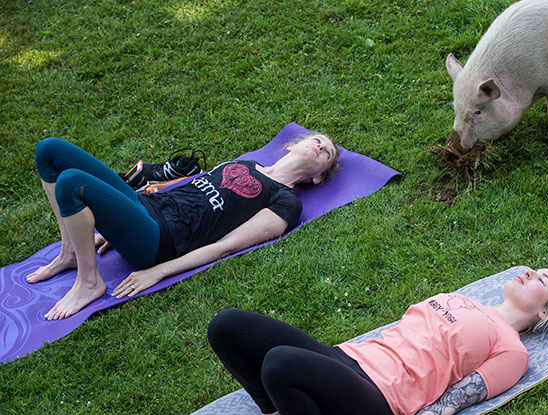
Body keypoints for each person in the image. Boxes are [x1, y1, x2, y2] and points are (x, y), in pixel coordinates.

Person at [207, 267, 548, 415]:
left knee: (280, 363)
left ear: (546, 314)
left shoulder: (512, 350)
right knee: (227, 326)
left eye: (541, 279)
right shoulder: (463, 298)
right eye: (532, 268)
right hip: (351, 360)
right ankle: (275, 413)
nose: (528, 271)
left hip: (379, 400)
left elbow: (451, 404)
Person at [27, 133, 339, 320]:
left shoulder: (286, 202)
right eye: (317, 140)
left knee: (71, 183)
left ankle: (89, 281)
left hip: (160, 239)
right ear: (290, 146)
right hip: (146, 208)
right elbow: (194, 187)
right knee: (49, 150)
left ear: (318, 178)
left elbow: (226, 246)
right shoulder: (248, 164)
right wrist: (117, 218)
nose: (321, 147)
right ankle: (71, 250)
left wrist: (160, 271)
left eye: (327, 153)